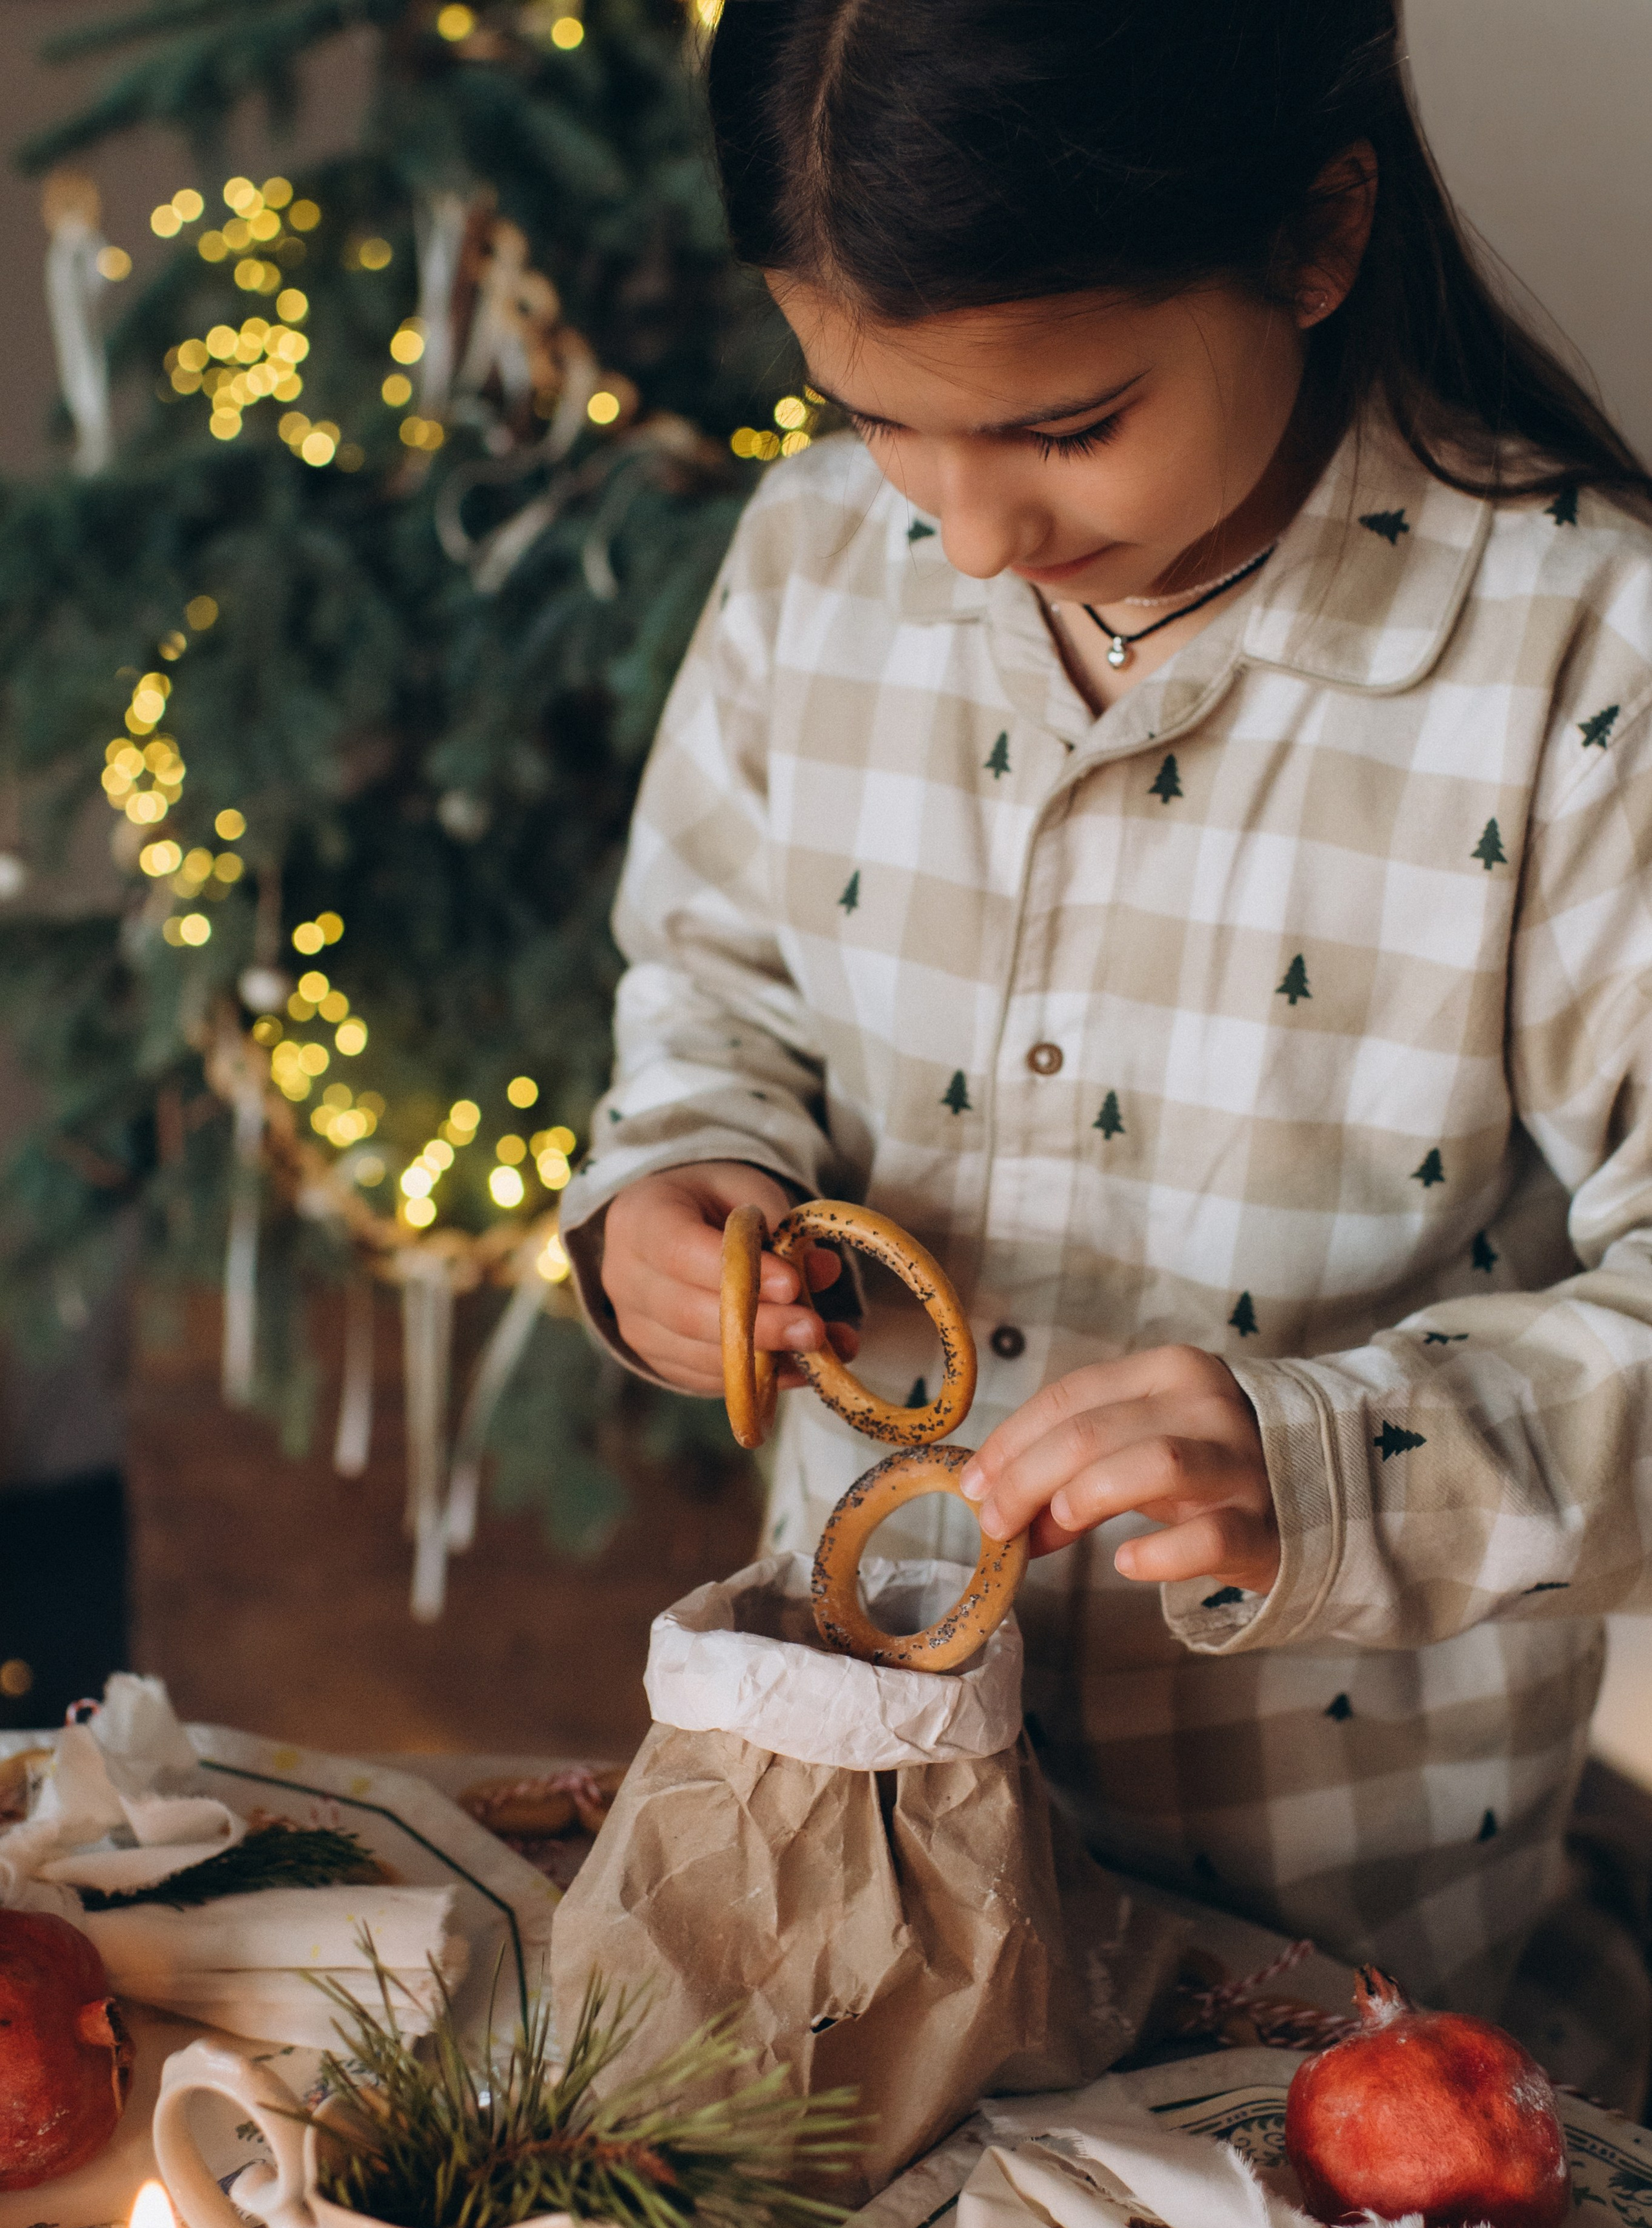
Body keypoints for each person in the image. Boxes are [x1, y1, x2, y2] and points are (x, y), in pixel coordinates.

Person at [560, 0, 1652, 2104]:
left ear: (1319, 235)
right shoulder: (812, 559)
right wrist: (674, 1199)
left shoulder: (1584, 666)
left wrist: (1333, 1467)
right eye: (875, 416)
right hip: (846, 1860)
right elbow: (707, 998)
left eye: (1065, 428)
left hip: (1335, 1933)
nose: (971, 534)